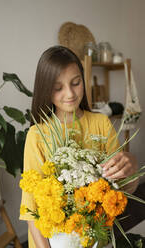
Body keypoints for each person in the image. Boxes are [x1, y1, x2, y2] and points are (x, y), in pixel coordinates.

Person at [20, 46, 138, 248]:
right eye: (58, 87)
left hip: (96, 239)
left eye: (76, 83)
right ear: (45, 89)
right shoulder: (37, 135)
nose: (70, 94)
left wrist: (131, 166)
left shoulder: (101, 123)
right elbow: (31, 210)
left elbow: (122, 189)